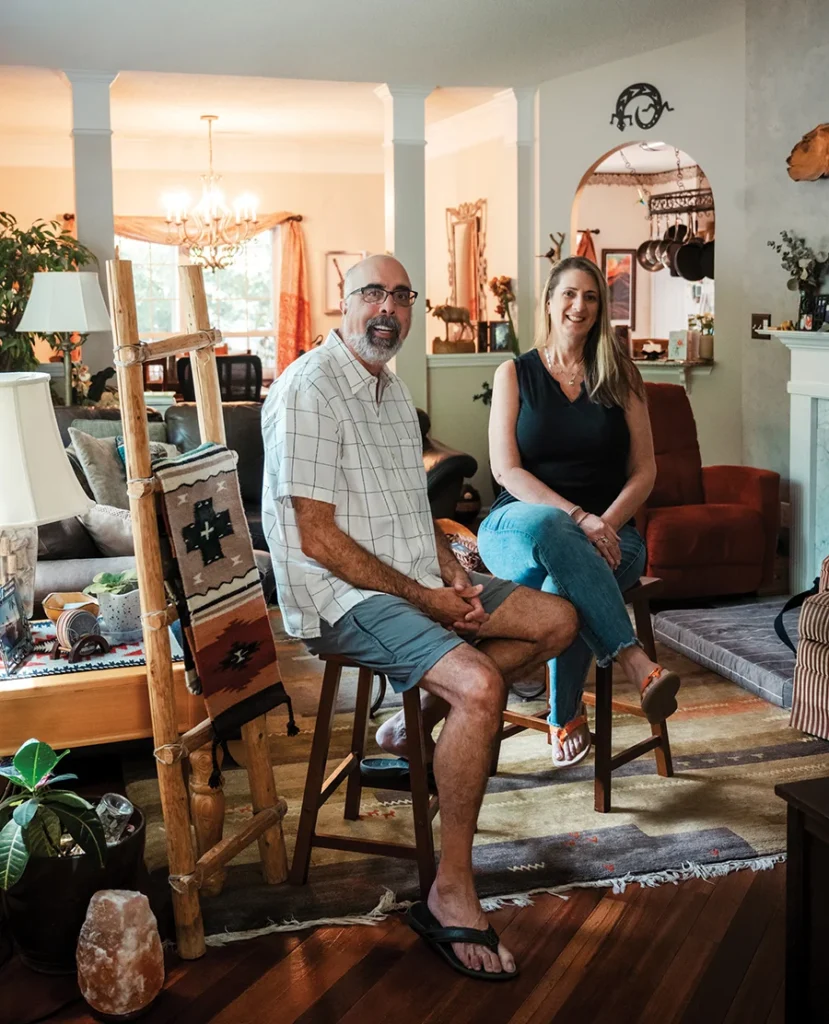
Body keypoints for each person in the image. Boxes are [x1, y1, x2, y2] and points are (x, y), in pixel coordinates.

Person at [261, 254, 578, 981]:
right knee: (478, 688)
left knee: (556, 622)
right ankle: (448, 891)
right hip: (340, 598)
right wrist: (424, 598)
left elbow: (415, 510)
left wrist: (454, 574)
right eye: (372, 293)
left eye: (401, 297)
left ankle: (419, 722)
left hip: (411, 579)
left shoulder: (391, 391)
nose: (388, 309)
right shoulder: (308, 390)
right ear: (339, 304)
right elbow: (315, 537)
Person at [477, 255, 680, 769]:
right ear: (549, 301)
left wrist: (605, 522)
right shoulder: (514, 373)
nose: (579, 306)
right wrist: (578, 517)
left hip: (613, 533)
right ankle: (635, 660)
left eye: (591, 297)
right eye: (569, 294)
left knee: (560, 590)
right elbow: (507, 471)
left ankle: (562, 712)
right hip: (518, 525)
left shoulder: (622, 376)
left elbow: (645, 471)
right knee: (552, 526)